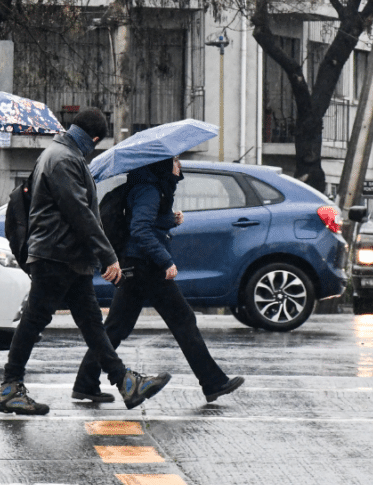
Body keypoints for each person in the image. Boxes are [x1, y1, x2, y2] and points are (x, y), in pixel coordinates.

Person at [0, 108, 171, 414]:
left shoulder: (62, 154)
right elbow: (79, 212)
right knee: (35, 321)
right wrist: (108, 256)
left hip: (67, 256)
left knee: (91, 324)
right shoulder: (64, 159)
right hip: (56, 255)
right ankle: (10, 386)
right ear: (94, 138)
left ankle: (124, 381)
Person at [72, 156, 244, 403]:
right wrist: (165, 261)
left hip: (137, 265)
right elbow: (140, 229)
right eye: (175, 161)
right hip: (146, 267)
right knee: (183, 320)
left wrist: (169, 219)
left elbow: (143, 221)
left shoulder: (151, 187)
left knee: (116, 327)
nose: (179, 165)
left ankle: (85, 383)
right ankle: (213, 382)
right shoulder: (150, 189)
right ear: (162, 165)